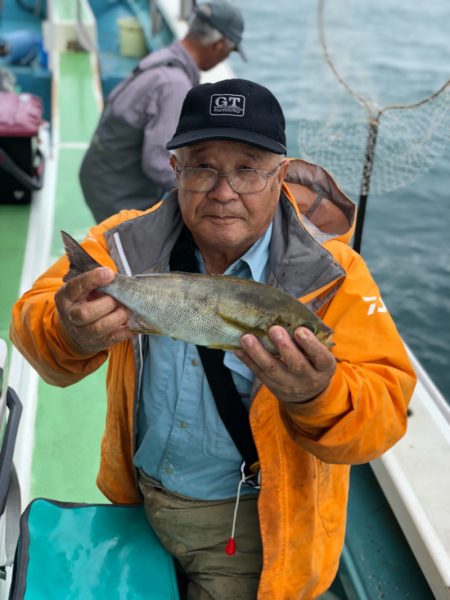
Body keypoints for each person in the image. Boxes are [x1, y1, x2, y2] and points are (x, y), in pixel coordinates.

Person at [10, 78, 416, 599]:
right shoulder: (123, 244)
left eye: (247, 168)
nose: (224, 192)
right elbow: (32, 323)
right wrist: (68, 330)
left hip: (251, 529)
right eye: (203, 166)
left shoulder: (334, 277)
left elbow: (384, 411)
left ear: (280, 175)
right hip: (136, 505)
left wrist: (318, 394)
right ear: (175, 170)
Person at [79, 0, 246, 224]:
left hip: (99, 179)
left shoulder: (163, 59)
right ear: (219, 45)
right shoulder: (174, 85)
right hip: (118, 195)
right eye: (230, 51)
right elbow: (158, 162)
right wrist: (207, 188)